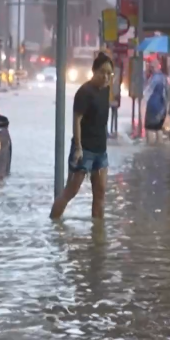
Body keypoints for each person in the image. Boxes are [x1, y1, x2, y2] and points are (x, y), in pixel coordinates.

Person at [50, 53, 115, 220]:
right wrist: (78, 147)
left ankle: (98, 235)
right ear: (94, 71)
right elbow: (76, 120)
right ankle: (54, 224)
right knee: (71, 191)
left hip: (101, 151)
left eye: (109, 73)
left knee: (100, 193)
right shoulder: (84, 92)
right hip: (83, 149)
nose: (106, 77)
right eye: (102, 72)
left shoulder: (106, 90)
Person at [143, 62, 169, 144]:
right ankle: (159, 148)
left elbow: (146, 92)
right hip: (162, 106)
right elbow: (168, 93)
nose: (151, 68)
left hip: (152, 105)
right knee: (158, 128)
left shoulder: (153, 78)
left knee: (149, 128)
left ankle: (150, 149)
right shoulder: (164, 78)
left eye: (152, 67)